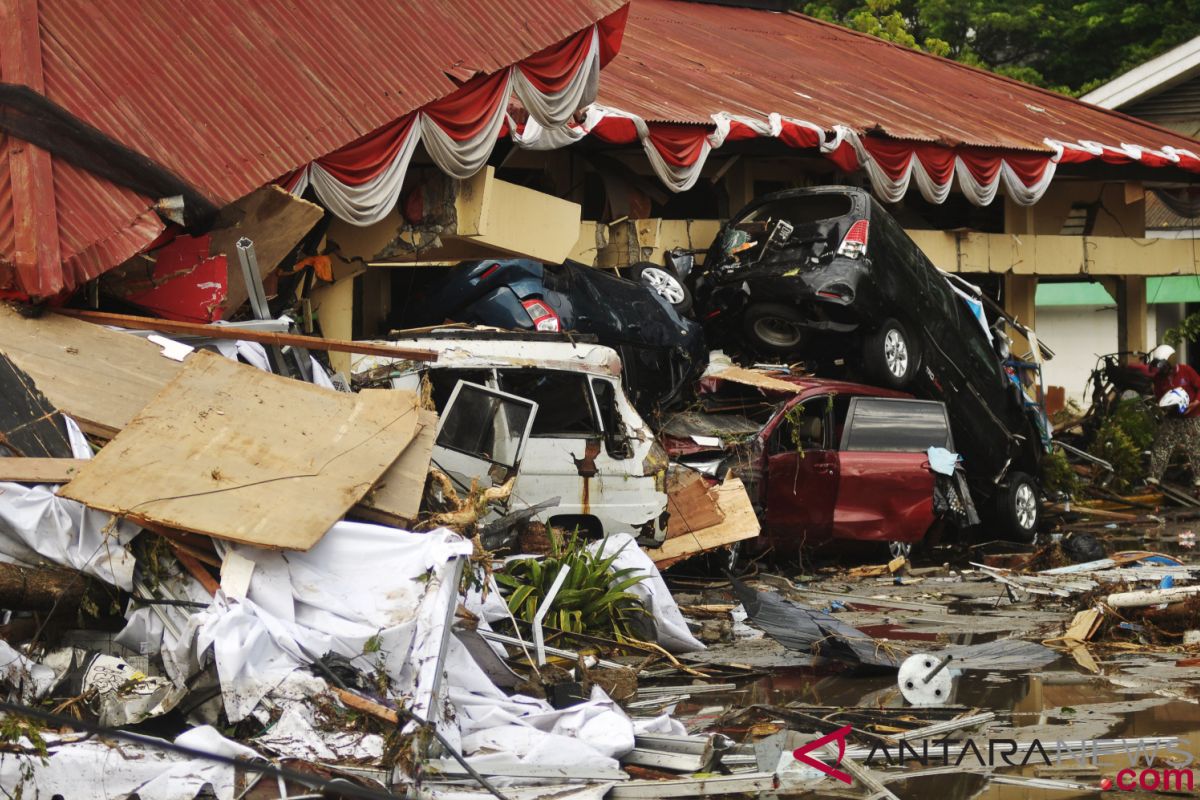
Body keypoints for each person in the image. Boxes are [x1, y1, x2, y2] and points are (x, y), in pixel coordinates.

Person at [1136, 345, 1200, 486]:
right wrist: (1166, 407)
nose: (1161, 370)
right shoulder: (1159, 379)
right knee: (1162, 446)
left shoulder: (1186, 371)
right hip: (1172, 417)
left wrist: (1196, 402)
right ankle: (1153, 479)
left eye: (1163, 367)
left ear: (1170, 363)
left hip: (1192, 416)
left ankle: (1199, 482)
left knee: (1196, 448)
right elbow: (1160, 398)